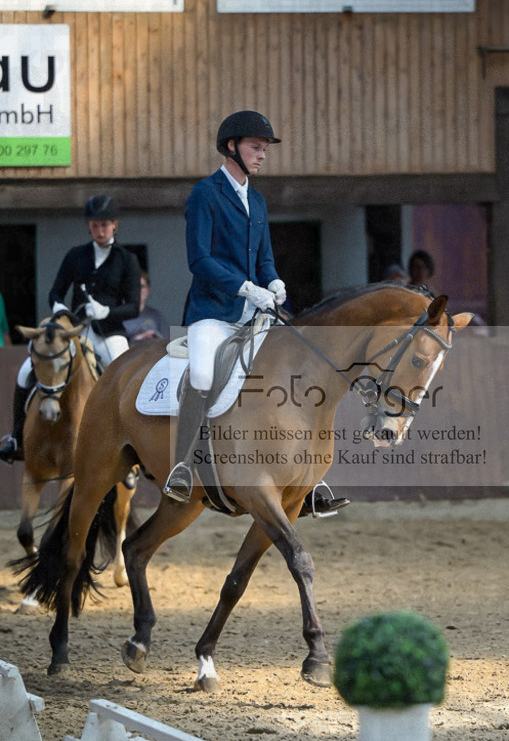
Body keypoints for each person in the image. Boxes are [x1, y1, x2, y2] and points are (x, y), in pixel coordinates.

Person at [163, 111, 348, 517]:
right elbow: (200, 260)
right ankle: (183, 467)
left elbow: (263, 259)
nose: (262, 155)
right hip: (213, 311)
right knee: (202, 375)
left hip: (257, 310)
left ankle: (308, 479)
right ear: (232, 147)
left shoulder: (258, 200)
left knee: (296, 368)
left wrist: (274, 281)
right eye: (256, 147)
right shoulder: (205, 194)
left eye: (264, 149)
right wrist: (245, 288)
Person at [0, 194, 141, 465]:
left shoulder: (127, 260)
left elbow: (133, 306)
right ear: (89, 226)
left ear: (114, 225)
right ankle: (17, 438)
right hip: (73, 330)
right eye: (95, 225)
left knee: (122, 371)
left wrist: (106, 311)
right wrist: (59, 308)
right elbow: (56, 291)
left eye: (105, 225)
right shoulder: (76, 255)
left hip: (109, 332)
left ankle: (132, 441)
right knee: (26, 370)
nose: (100, 230)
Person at [124, 271, 171, 344]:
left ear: (148, 290)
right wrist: (138, 338)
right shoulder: (119, 316)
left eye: (142, 286)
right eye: (134, 286)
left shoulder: (156, 315)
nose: (138, 290)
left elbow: (167, 341)